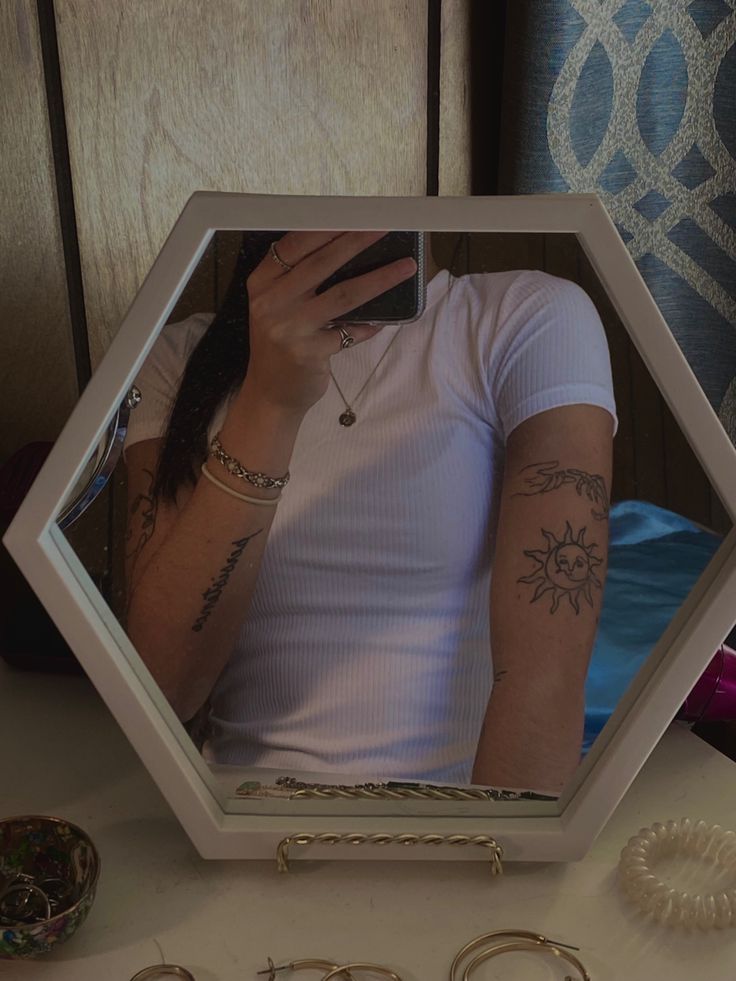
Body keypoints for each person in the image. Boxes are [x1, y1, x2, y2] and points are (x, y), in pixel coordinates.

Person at [123, 230, 617, 794]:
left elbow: (544, 679)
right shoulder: (180, 358)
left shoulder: (522, 317)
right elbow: (162, 690)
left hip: (467, 827)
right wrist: (269, 403)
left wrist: (487, 860)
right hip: (239, 825)